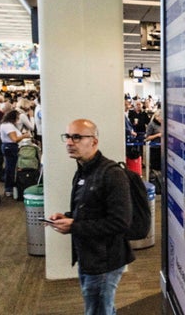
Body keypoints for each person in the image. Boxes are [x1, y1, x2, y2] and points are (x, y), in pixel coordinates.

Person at [48, 119, 134, 315]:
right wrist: (67, 217)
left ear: (94, 142)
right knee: (101, 308)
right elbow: (91, 210)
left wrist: (74, 226)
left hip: (104, 261)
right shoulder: (83, 170)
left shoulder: (112, 174)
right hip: (88, 256)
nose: (69, 142)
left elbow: (121, 222)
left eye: (77, 137)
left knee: (97, 310)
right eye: (68, 137)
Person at [0, 110, 30, 197]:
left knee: (10, 168)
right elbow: (14, 139)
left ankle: (9, 188)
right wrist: (24, 136)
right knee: (10, 168)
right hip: (10, 147)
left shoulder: (5, 125)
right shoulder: (9, 126)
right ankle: (9, 188)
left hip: (8, 146)